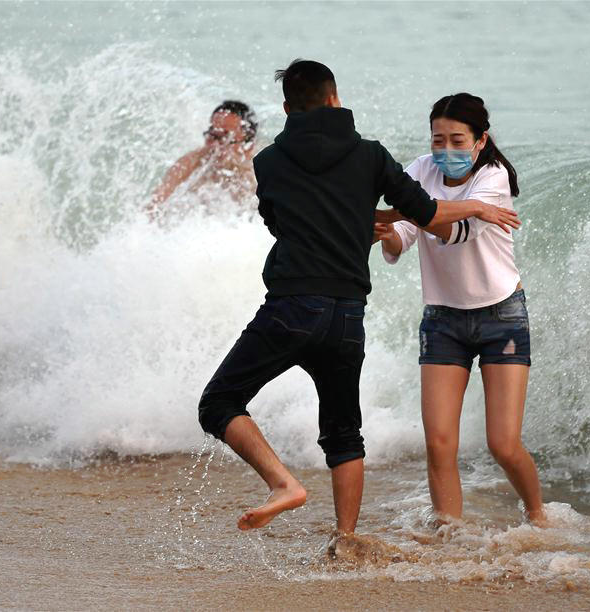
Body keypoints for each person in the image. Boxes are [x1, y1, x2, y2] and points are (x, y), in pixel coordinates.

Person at [197, 61, 521, 536]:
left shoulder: (266, 162)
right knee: (344, 434)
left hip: (290, 309)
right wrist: (472, 203)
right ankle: (345, 538)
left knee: (219, 402)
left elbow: (278, 225)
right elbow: (424, 212)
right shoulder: (370, 155)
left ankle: (283, 483)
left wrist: (342, 222)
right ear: (335, 99)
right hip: (347, 315)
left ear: (288, 108)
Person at [375, 93, 546, 526]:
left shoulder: (494, 178)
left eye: (456, 140)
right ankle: (448, 534)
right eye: (438, 140)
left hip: (501, 316)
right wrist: (388, 233)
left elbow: (454, 232)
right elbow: (402, 235)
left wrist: (406, 211)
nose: (445, 150)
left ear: (479, 139)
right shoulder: (419, 170)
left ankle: (538, 514)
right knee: (438, 442)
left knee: (503, 444)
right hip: (443, 320)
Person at [147, 100, 257, 218]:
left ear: (248, 147)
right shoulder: (193, 160)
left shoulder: (259, 171)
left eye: (226, 138)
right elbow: (156, 201)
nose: (215, 146)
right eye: (213, 136)